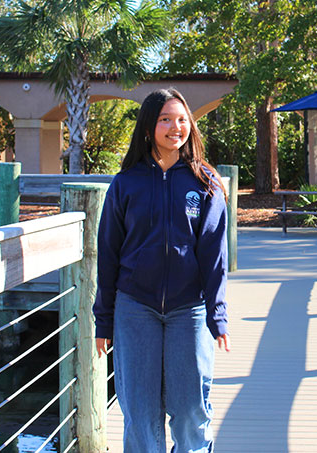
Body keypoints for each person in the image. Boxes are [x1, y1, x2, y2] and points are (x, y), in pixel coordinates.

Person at [93, 88, 230, 453]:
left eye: (182, 119)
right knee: (140, 412)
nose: (175, 127)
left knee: (190, 409)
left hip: (191, 308)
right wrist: (103, 321)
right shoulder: (126, 184)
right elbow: (107, 254)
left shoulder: (206, 184)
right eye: (166, 119)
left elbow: (215, 256)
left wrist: (218, 316)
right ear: (149, 125)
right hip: (135, 307)